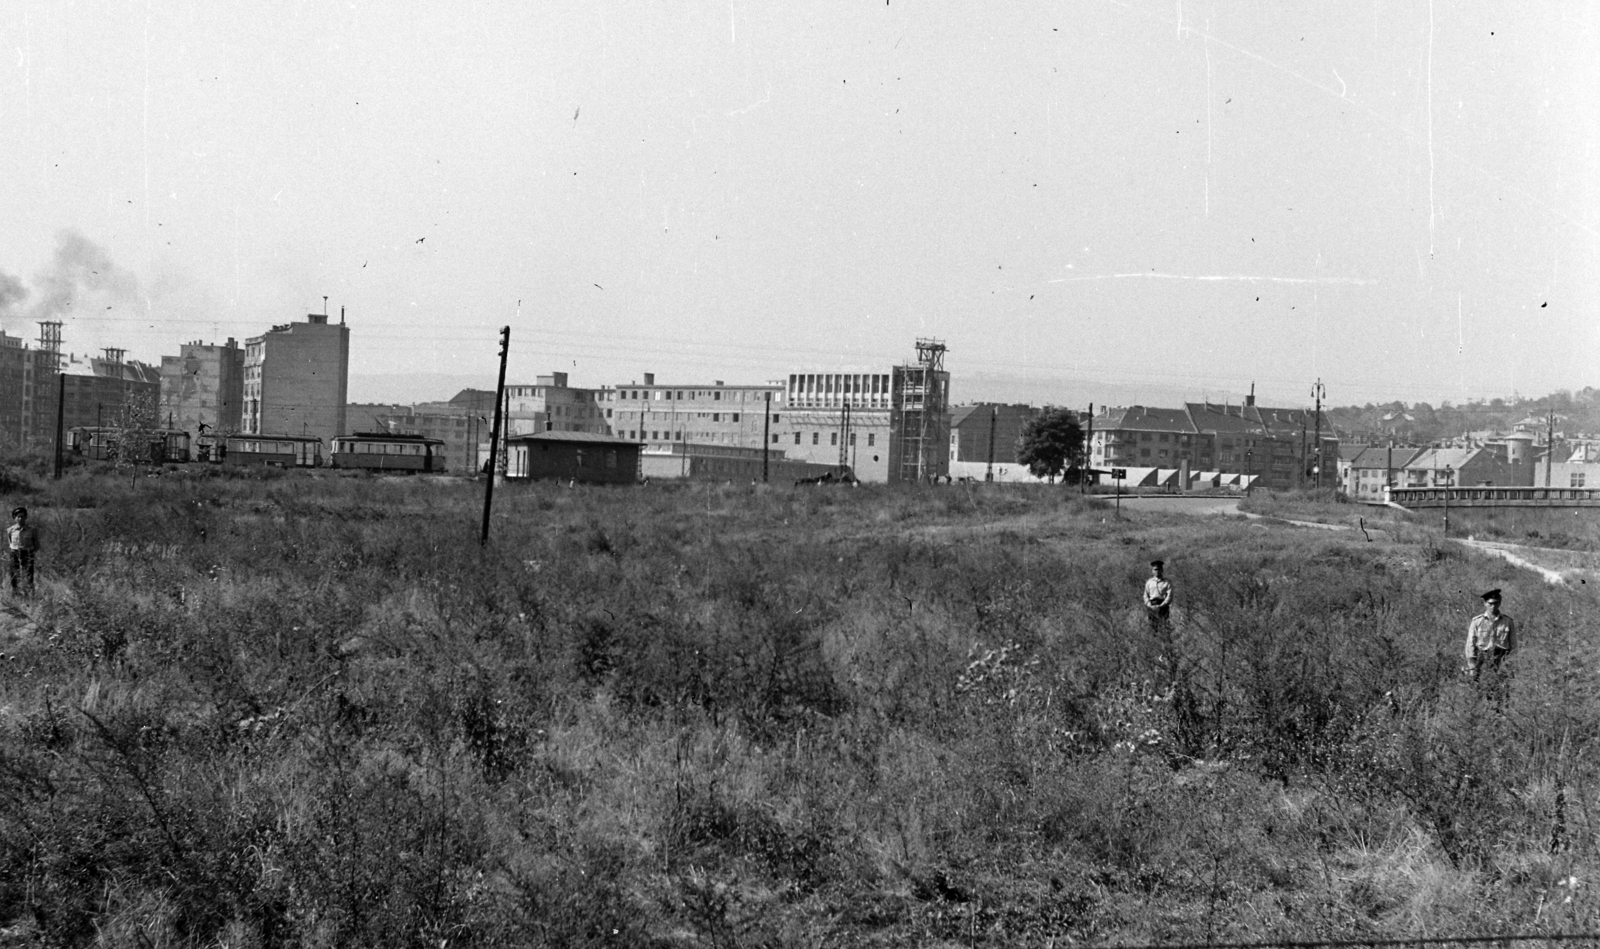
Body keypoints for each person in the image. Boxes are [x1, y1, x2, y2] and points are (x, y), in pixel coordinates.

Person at [1465, 588, 1516, 680]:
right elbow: (1470, 644)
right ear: (1485, 603)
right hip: (1482, 659)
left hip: (1502, 659)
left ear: (1500, 603)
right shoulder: (1477, 621)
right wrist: (1472, 665)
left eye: (1496, 603)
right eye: (1490, 603)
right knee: (1479, 686)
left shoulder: (1508, 621)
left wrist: (1510, 663)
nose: (1493, 606)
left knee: (1503, 686)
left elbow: (1514, 645)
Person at [6, 506, 39, 597]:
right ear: (15, 518)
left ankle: (30, 593)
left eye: (22, 516)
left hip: (28, 553)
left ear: (26, 517)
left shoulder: (32, 530)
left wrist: (30, 552)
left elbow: (36, 544)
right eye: (18, 517)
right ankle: (15, 592)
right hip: (15, 553)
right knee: (13, 573)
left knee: (29, 573)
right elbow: (10, 542)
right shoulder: (10, 530)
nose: (20, 519)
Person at [1143, 559, 1173, 631]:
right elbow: (1145, 595)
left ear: (1162, 570)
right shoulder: (1149, 582)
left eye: (1158, 569)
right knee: (1153, 627)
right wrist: (1149, 605)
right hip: (1152, 605)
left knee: (1164, 626)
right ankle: (1154, 641)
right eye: (1155, 569)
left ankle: (1165, 641)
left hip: (1163, 606)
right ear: (1152, 571)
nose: (1157, 571)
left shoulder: (1167, 582)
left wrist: (1161, 605)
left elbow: (1169, 596)